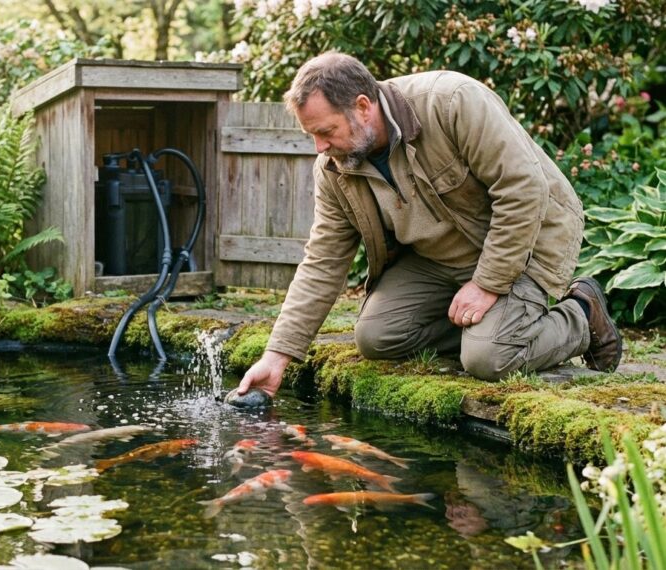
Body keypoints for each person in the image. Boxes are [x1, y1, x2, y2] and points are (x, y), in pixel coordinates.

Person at [236, 52, 622, 398]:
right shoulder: (336, 169)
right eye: (311, 135)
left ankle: (580, 316)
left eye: (325, 131)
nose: (319, 147)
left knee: (489, 359)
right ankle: (492, 329)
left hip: (528, 238)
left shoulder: (452, 102)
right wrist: (277, 355)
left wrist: (487, 285)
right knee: (377, 336)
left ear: (363, 106)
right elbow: (322, 261)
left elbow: (524, 190)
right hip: (441, 260)